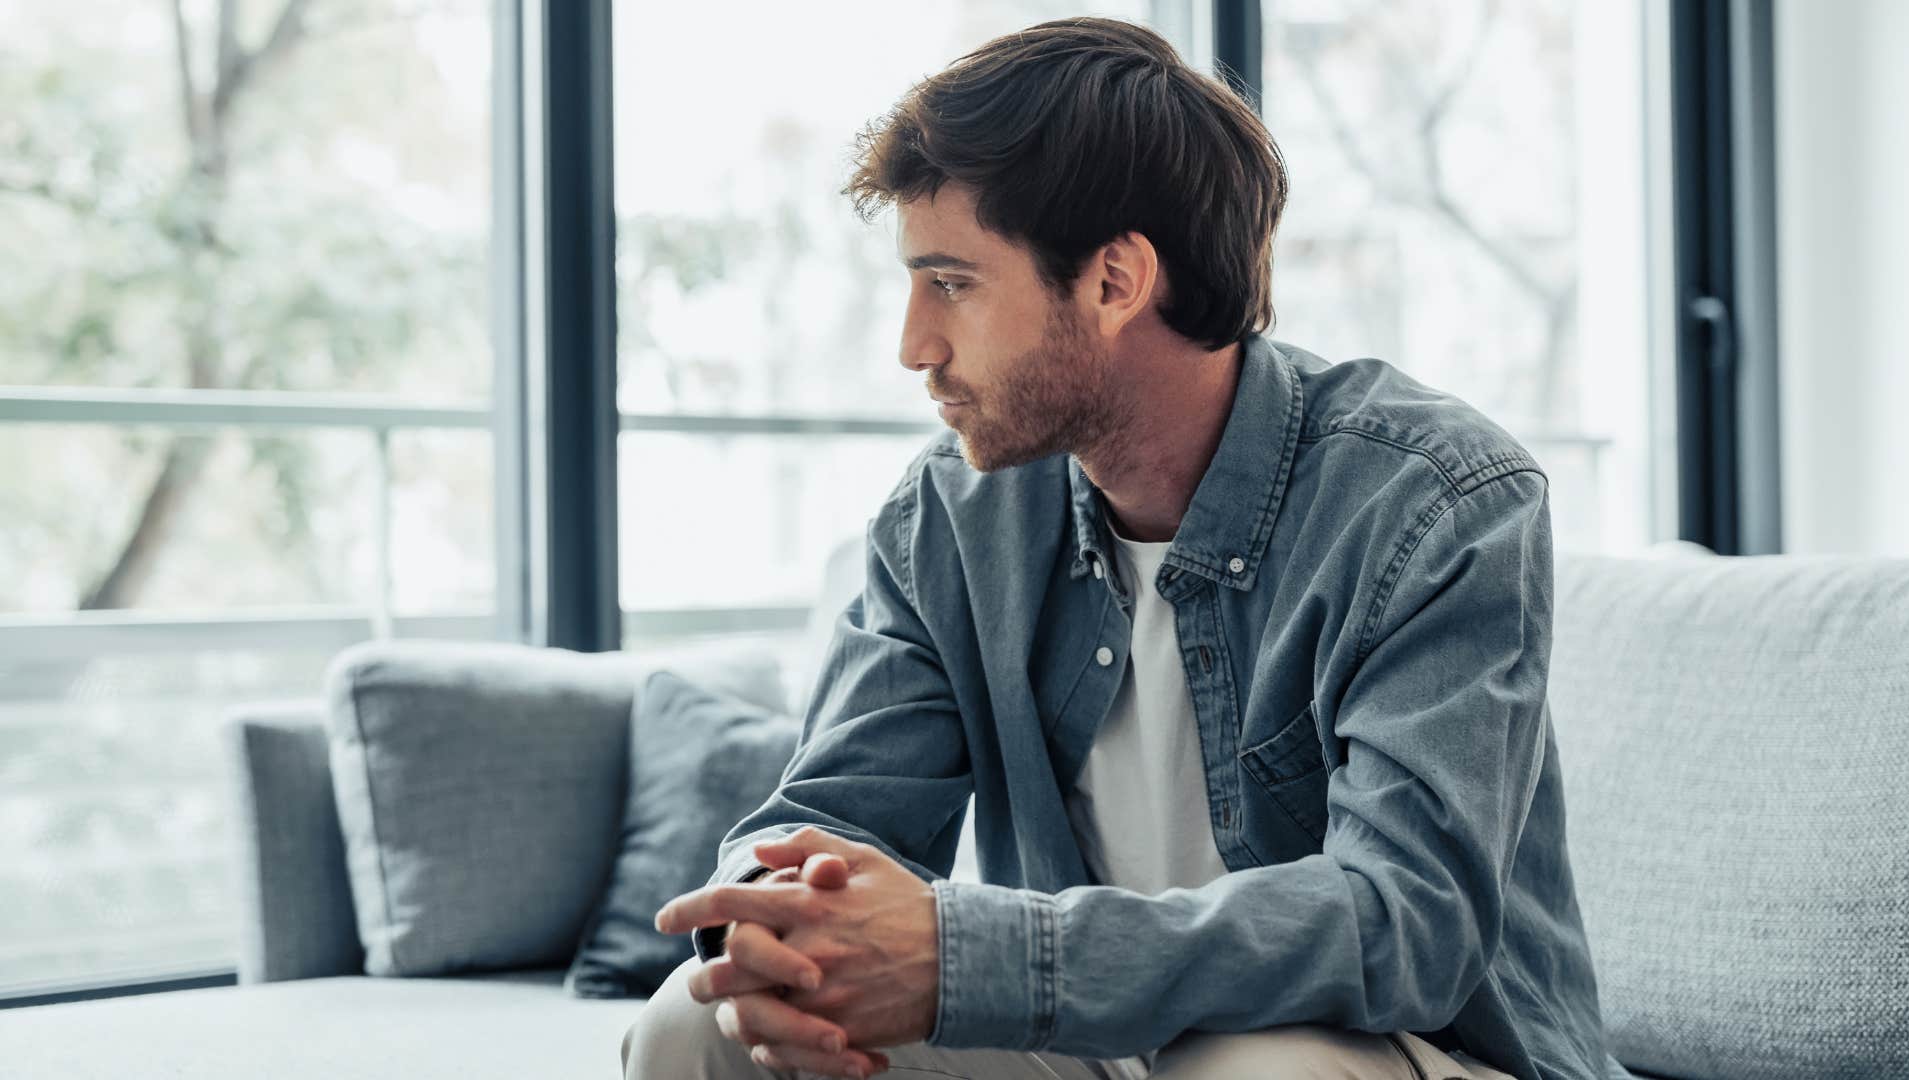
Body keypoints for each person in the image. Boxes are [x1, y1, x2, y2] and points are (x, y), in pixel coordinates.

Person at [624, 16, 1619, 1080]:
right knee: (698, 1023)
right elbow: (827, 817)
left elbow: (1405, 925)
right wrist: (777, 924)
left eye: (952, 283)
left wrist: (976, 956)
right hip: (1087, 1040)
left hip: (1391, 1047)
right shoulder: (953, 517)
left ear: (1114, 281)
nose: (913, 345)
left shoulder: (1433, 502)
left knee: (1256, 1071)